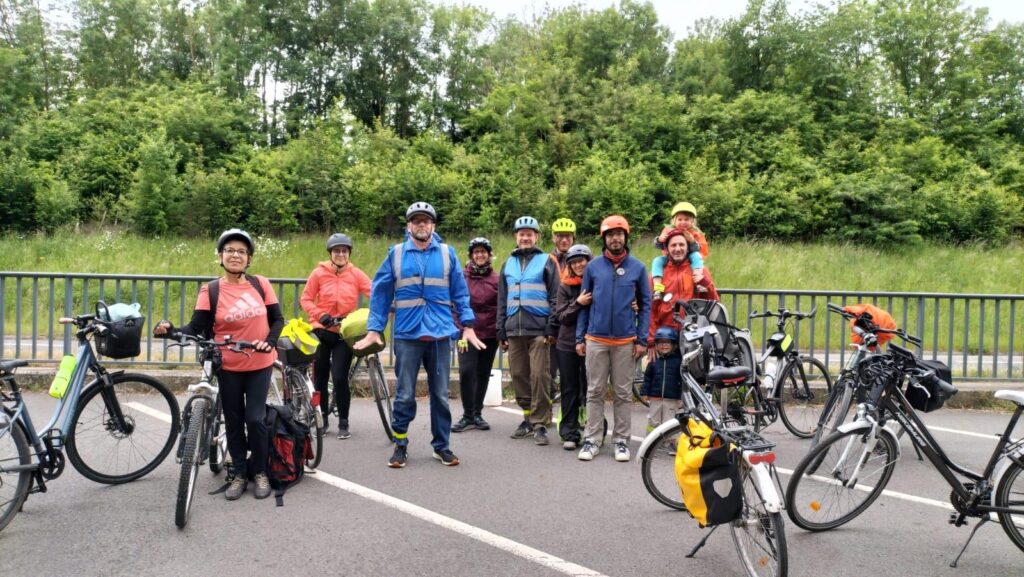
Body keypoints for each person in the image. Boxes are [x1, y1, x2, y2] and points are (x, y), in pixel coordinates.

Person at [154, 229, 284, 500]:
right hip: (228, 365)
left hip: (259, 362)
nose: (235, 255)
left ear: (249, 258)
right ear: (220, 256)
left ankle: (259, 471)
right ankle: (238, 473)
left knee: (255, 419)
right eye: (230, 251)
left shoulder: (261, 284)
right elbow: (196, 326)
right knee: (235, 422)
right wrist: (171, 329)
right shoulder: (211, 290)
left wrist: (269, 342)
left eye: (241, 251)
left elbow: (277, 320)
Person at [353, 202, 485, 469]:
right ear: (408, 226)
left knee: (440, 396)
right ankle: (400, 444)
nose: (421, 224)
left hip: (439, 336)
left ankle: (441, 446)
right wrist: (374, 329)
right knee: (403, 395)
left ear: (433, 225)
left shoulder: (448, 254)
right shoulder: (396, 254)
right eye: (416, 221)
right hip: (407, 335)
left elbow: (460, 293)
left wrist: (468, 325)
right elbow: (380, 294)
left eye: (426, 220)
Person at [575, 215, 651, 462]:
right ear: (604, 238)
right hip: (595, 340)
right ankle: (592, 439)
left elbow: (647, 304)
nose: (615, 238)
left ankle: (621, 441)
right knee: (594, 391)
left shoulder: (638, 268)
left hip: (625, 341)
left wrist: (641, 339)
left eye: (619, 234)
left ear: (625, 237)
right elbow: (584, 304)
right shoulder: (593, 267)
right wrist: (580, 337)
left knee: (622, 394)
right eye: (610, 234)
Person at [300, 233, 372, 439]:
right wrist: (319, 315)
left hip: (343, 331)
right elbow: (305, 299)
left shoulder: (356, 274)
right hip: (321, 330)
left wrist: (387, 305)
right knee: (320, 378)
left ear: (349, 253)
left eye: (344, 251)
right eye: (336, 251)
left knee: (340, 377)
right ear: (330, 254)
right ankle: (321, 418)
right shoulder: (318, 273)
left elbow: (373, 292)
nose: (340, 254)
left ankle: (344, 422)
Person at [496, 216, 560, 446]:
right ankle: (526, 417)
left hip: (539, 329)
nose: (525, 237)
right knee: (519, 375)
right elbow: (502, 299)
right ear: (516, 236)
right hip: (514, 330)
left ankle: (541, 422)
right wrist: (500, 330)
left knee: (540, 376)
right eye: (521, 233)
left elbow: (555, 296)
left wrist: (552, 326)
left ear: (537, 237)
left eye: (529, 233)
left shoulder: (547, 261)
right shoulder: (507, 264)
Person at [451, 237, 500, 433]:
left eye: (483, 252)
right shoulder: (461, 277)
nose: (480, 255)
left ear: (489, 255)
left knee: (482, 373)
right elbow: (454, 304)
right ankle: (467, 414)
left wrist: (500, 331)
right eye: (476, 252)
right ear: (471, 255)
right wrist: (461, 328)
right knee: (466, 372)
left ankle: (477, 414)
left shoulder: (496, 279)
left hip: (489, 333)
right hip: (466, 333)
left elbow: (500, 306)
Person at [648, 228, 719, 357]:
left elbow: (714, 302)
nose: (677, 248)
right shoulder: (657, 274)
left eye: (681, 244)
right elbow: (651, 308)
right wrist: (651, 341)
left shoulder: (699, 270)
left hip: (695, 336)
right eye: (673, 245)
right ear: (667, 249)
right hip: (666, 337)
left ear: (688, 248)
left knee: (694, 376)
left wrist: (705, 283)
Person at [553, 243, 592, 450]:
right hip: (567, 344)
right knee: (569, 388)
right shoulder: (565, 286)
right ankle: (569, 431)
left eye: (581, 261)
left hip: (592, 342)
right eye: (574, 262)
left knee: (592, 388)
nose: (578, 265)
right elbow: (562, 317)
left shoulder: (596, 283)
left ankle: (593, 430)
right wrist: (578, 303)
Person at [650, 202, 714, 299]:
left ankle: (698, 282)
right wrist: (659, 239)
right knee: (657, 261)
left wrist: (692, 241)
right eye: (680, 219)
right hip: (670, 258)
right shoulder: (668, 230)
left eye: (686, 219)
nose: (683, 222)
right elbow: (660, 246)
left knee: (696, 256)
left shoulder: (695, 233)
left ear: (692, 221)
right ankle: (658, 289)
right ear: (674, 220)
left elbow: (701, 249)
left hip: (689, 258)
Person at [641, 327, 684, 434]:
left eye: (667, 343)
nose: (664, 345)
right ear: (656, 345)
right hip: (655, 399)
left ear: (674, 345)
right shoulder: (654, 361)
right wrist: (644, 393)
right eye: (661, 342)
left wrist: (681, 397)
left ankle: (671, 442)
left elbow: (683, 381)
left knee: (670, 422)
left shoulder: (679, 362)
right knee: (654, 422)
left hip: (672, 399)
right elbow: (647, 378)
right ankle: (651, 441)